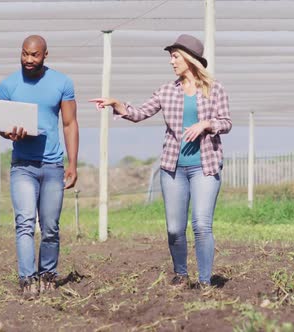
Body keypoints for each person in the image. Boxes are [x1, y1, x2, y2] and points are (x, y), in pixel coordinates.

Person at [90, 34, 231, 288]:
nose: (171, 61)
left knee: (201, 224)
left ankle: (205, 281)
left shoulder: (215, 89)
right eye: (171, 56)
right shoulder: (166, 91)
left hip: (205, 166)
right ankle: (180, 273)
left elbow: (226, 123)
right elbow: (140, 112)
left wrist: (206, 124)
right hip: (173, 169)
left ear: (190, 58)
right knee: (175, 229)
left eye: (175, 56)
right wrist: (118, 104)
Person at [0, 35, 79, 300]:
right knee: (25, 223)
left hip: (53, 165)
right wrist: (9, 134)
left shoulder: (62, 83)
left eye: (35, 55)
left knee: (51, 226)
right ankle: (27, 278)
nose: (29, 60)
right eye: (24, 54)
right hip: (23, 166)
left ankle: (48, 275)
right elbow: (1, 125)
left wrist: (73, 163)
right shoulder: (7, 86)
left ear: (45, 55)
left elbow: (69, 124)